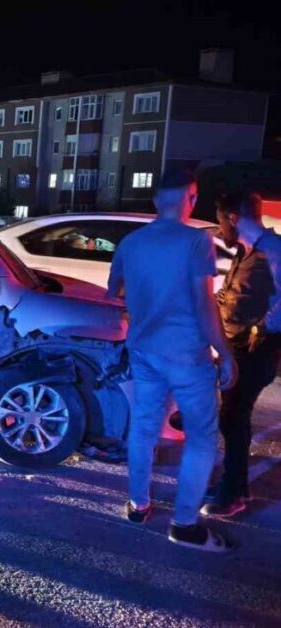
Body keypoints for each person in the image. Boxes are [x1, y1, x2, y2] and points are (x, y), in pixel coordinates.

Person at [106, 167, 238, 552]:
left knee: (144, 427)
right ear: (191, 199)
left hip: (144, 350)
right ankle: (184, 524)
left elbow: (114, 291)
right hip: (185, 355)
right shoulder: (196, 242)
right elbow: (203, 303)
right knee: (201, 436)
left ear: (155, 199)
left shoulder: (131, 242)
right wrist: (226, 353)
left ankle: (138, 504)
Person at [204, 191, 281, 518]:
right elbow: (232, 296)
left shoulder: (273, 251)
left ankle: (232, 493)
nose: (220, 229)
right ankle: (237, 486)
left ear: (233, 218)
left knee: (233, 418)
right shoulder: (246, 252)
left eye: (221, 221)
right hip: (235, 348)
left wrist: (260, 328)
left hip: (256, 351)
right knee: (234, 417)